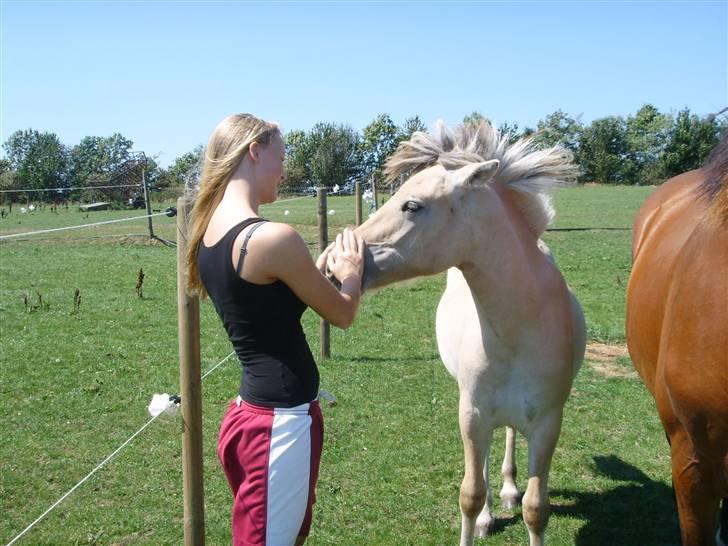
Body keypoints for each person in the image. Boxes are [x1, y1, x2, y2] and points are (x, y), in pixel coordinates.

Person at [185, 113, 365, 546]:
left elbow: (266, 312)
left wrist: (315, 268)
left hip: (251, 417)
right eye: (281, 157)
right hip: (279, 427)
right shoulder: (271, 238)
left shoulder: (209, 232)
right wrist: (352, 272)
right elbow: (342, 313)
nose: (284, 170)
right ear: (255, 151)